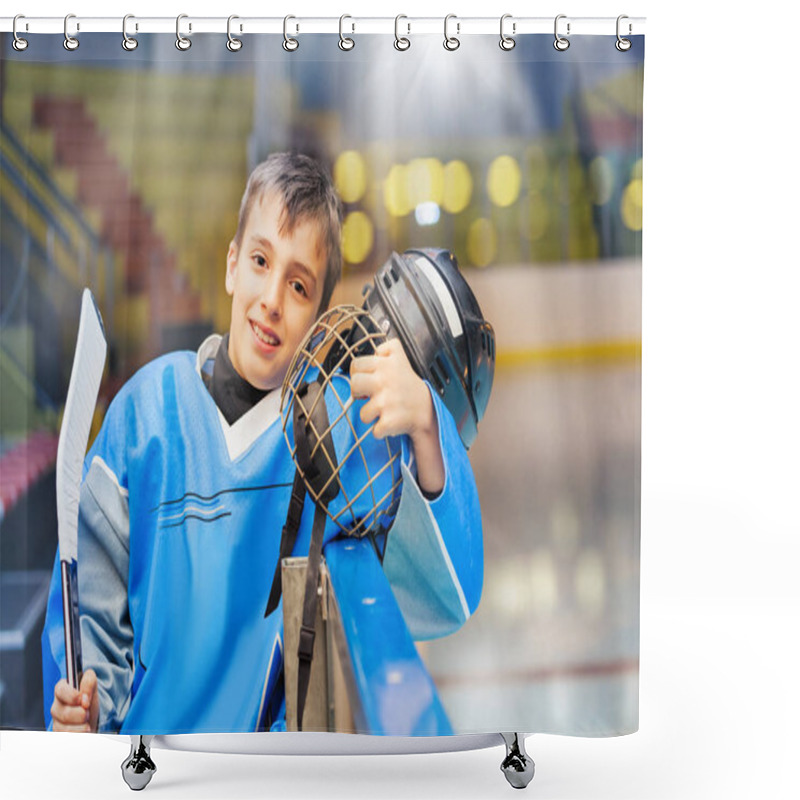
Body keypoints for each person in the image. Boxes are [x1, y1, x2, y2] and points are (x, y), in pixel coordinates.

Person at [41, 152, 483, 734]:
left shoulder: (336, 436)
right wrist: (87, 713)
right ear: (231, 266)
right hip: (145, 776)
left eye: (298, 286)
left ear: (318, 313)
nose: (272, 299)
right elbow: (87, 620)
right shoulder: (144, 415)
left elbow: (447, 594)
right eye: (259, 261)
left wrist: (426, 422)